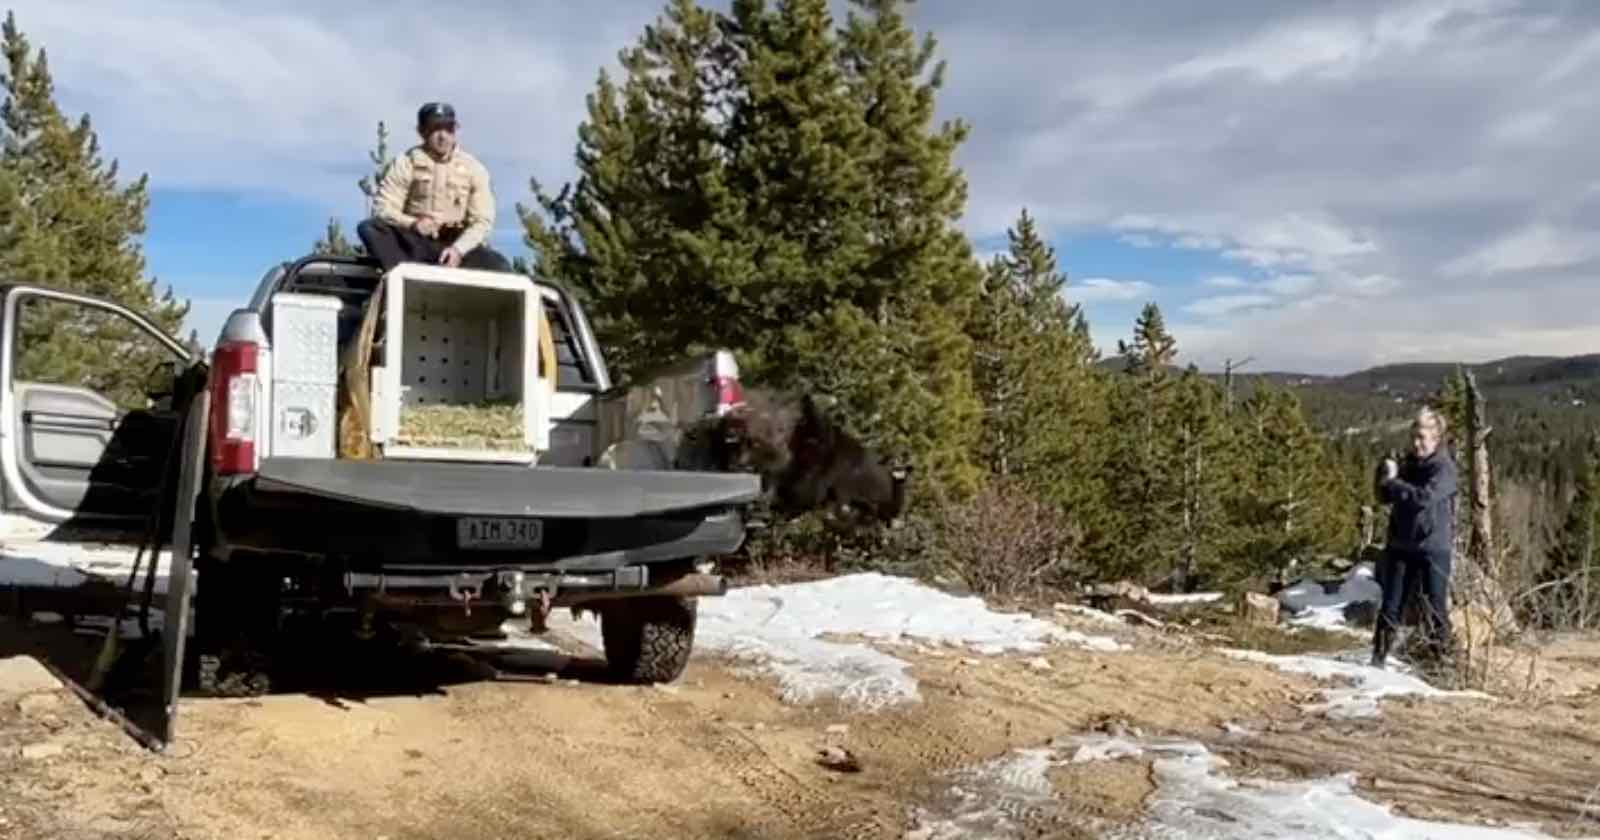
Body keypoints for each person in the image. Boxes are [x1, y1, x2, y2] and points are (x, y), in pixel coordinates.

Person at [357, 102, 512, 273]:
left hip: (457, 247)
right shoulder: (406, 162)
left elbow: (482, 221)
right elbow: (383, 208)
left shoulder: (474, 169)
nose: (443, 136)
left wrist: (458, 250)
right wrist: (413, 224)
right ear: (422, 131)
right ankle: (404, 277)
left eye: (449, 129)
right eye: (435, 129)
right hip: (416, 245)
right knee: (370, 228)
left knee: (500, 266)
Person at [1370, 406, 1458, 670]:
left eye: (1422, 437)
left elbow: (1423, 499)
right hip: (1401, 545)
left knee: (1435, 607)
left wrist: (1395, 481)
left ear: (1436, 438)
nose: (1416, 443)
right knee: (1391, 605)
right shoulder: (1408, 464)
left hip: (1433, 547)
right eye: (1414, 437)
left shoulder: (1444, 468)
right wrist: (1383, 476)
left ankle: (1440, 661)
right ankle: (1378, 659)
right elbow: (1384, 497)